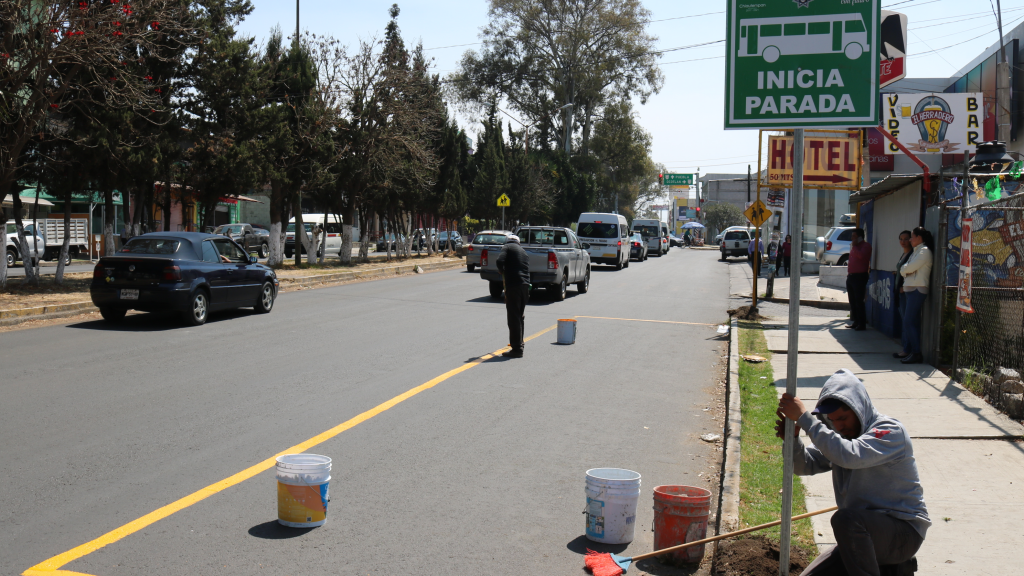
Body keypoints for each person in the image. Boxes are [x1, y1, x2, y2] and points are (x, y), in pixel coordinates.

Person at [777, 369, 929, 576]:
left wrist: (805, 419)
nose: (839, 425)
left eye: (843, 418)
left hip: (903, 533)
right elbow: (804, 465)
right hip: (862, 534)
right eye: (832, 420)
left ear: (859, 409)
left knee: (845, 519)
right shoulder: (842, 440)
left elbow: (850, 456)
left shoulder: (889, 431)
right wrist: (792, 441)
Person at [898, 227, 934, 364]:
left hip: (917, 290)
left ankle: (917, 353)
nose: (910, 240)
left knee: (908, 321)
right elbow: (903, 269)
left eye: (912, 237)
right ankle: (914, 352)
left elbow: (908, 268)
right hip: (911, 289)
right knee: (912, 322)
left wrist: (905, 270)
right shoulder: (916, 251)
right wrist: (905, 270)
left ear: (919, 237)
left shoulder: (924, 251)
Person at [495, 234, 530, 358]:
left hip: (514, 286)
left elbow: (499, 261)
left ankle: (517, 349)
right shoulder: (524, 252)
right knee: (520, 316)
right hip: (525, 286)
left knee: (513, 317)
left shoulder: (507, 247)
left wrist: (501, 270)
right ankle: (520, 344)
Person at [893, 231, 913, 360]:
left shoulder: (912, 254)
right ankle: (905, 348)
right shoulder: (904, 253)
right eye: (901, 239)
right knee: (903, 320)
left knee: (907, 321)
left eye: (906, 239)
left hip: (905, 292)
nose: (903, 241)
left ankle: (907, 349)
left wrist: (903, 287)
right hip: (899, 291)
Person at [846, 228, 871, 331]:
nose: (852, 239)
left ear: (860, 237)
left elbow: (861, 256)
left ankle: (862, 323)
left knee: (859, 301)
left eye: (854, 237)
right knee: (852, 301)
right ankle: (856, 321)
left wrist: (855, 246)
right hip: (851, 276)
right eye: (852, 236)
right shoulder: (854, 247)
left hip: (860, 277)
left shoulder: (866, 246)